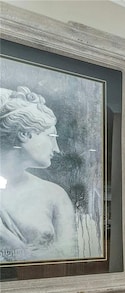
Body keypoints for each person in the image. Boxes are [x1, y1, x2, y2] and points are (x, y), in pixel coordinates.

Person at [0, 86, 78, 263]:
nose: (56, 148)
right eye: (51, 136)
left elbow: (68, 263)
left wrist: (9, 240)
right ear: (25, 134)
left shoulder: (54, 195)